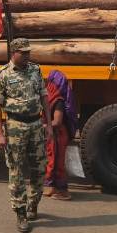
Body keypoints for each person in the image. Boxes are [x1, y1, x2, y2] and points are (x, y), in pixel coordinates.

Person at [0, 38, 53, 233]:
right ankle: (20, 213)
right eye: (23, 53)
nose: (27, 55)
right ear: (14, 53)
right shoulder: (2, 74)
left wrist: (48, 124)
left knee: (40, 168)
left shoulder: (35, 70)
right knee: (16, 170)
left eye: (29, 52)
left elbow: (44, 96)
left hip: (36, 124)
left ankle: (33, 204)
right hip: (15, 126)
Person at [44, 70, 77, 201]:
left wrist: (42, 126)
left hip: (58, 135)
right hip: (53, 135)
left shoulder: (58, 101)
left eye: (50, 82)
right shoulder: (52, 98)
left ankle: (63, 191)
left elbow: (57, 122)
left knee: (58, 162)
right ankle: (52, 187)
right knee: (51, 161)